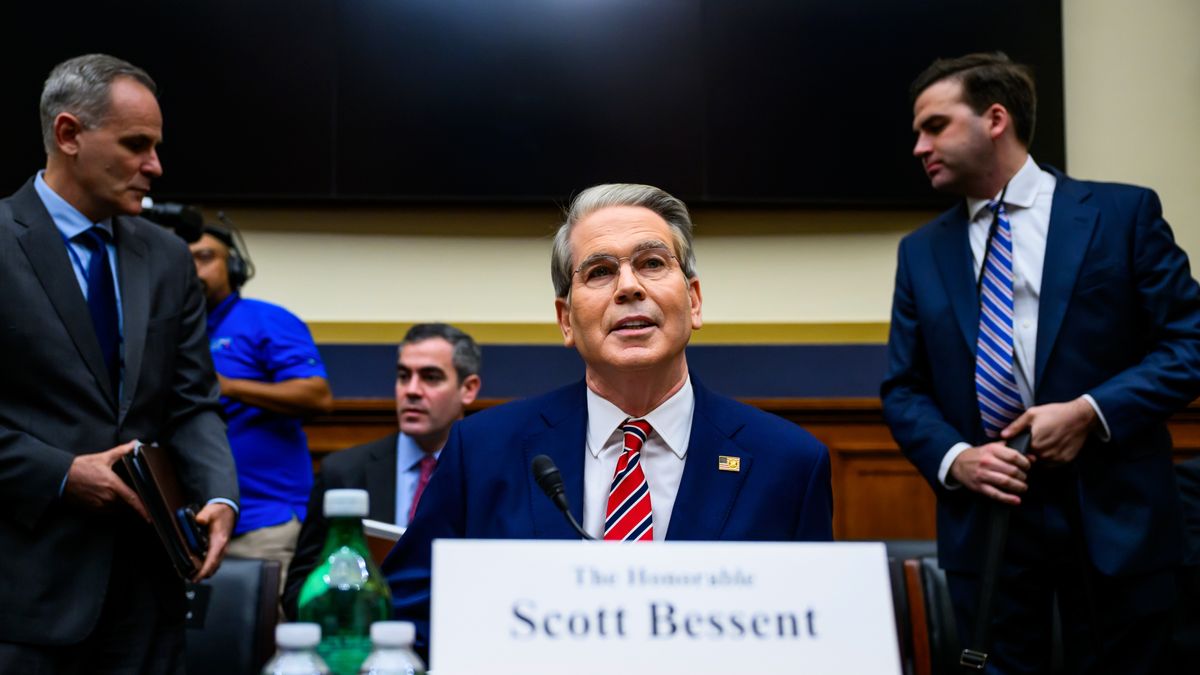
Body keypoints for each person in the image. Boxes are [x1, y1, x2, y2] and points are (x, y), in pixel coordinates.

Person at [383, 183, 833, 657]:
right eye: (599, 272)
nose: (629, 287)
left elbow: (817, 640)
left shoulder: (788, 464)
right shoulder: (481, 452)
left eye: (652, 263)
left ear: (694, 301)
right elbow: (404, 620)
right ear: (566, 320)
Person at [881, 52, 1200, 674]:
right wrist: (958, 458)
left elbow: (1189, 344)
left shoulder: (1121, 215)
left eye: (935, 125)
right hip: (990, 523)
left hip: (1117, 514)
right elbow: (903, 387)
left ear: (995, 118)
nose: (919, 146)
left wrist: (1090, 412)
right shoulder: (921, 252)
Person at [0, 53, 239, 672]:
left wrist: (220, 495)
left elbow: (192, 404)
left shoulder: (167, 258)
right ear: (69, 134)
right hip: (25, 598)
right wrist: (59, 472)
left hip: (148, 600)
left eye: (156, 147)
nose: (155, 167)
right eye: (136, 145)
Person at [282, 322, 482, 618]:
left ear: (468, 389)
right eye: (404, 377)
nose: (412, 391)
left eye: (430, 378)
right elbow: (297, 590)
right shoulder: (344, 473)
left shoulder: (489, 471)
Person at [189, 225, 332, 577]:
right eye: (183, 260)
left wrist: (229, 387)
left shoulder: (264, 318)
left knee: (267, 631)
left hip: (265, 523)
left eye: (205, 258)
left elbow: (317, 395)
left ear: (234, 267)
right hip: (194, 527)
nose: (192, 270)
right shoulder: (177, 330)